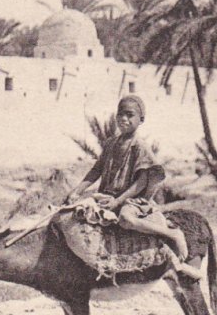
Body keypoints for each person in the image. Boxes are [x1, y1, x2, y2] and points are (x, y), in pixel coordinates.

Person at [65, 95, 201, 279]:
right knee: (77, 212)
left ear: (141, 119)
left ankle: (173, 234)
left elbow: (141, 182)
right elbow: (96, 169)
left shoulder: (139, 147)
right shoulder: (111, 144)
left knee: (126, 218)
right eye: (120, 114)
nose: (123, 119)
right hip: (107, 195)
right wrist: (77, 190)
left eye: (130, 115)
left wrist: (117, 202)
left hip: (132, 199)